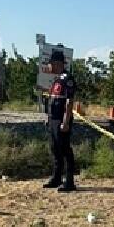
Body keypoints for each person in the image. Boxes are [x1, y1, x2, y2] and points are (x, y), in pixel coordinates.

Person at [42, 49, 77, 192]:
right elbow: (53, 100)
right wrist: (48, 118)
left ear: (57, 63)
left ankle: (69, 182)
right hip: (53, 119)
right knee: (55, 149)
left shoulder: (67, 79)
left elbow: (69, 102)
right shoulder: (57, 79)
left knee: (65, 149)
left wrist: (66, 122)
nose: (49, 66)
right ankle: (56, 178)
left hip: (62, 120)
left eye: (51, 63)